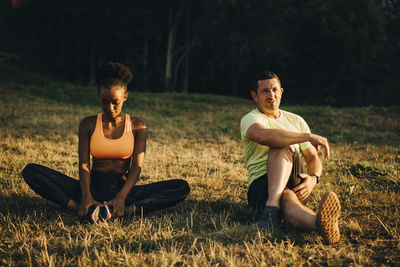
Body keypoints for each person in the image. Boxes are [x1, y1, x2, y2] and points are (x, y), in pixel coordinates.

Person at [22, 62, 190, 222]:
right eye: (104, 102)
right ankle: (84, 209)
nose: (110, 108)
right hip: (91, 186)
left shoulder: (138, 126)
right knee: (31, 171)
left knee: (181, 187)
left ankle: (123, 210)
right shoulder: (87, 124)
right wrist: (87, 196)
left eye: (115, 102)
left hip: (122, 189)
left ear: (125, 97)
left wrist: (121, 198)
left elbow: (136, 168)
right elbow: (84, 164)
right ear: (98, 97)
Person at [240, 71, 341, 244]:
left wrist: (314, 179)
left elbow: (312, 158)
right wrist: (307, 137)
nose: (271, 95)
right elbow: (262, 136)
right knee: (285, 194)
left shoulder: (296, 120)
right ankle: (310, 220)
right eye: (265, 91)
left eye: (274, 90)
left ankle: (277, 214)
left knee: (288, 194)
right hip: (261, 186)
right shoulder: (251, 118)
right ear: (254, 96)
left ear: (281, 92)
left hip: (294, 180)